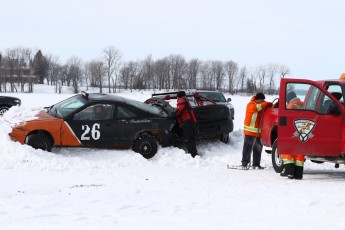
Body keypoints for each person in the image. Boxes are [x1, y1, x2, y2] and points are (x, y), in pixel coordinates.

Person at [241, 92, 272, 169]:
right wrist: (266, 103)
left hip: (258, 132)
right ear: (258, 99)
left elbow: (267, 106)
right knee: (247, 147)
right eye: (262, 100)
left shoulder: (261, 105)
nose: (263, 101)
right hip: (250, 132)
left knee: (258, 148)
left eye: (263, 100)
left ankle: (256, 164)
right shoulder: (251, 104)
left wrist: (272, 104)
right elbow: (257, 108)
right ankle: (245, 162)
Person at [280, 91, 305, 179]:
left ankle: (289, 172)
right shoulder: (303, 104)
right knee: (299, 152)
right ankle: (298, 174)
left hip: (292, 130)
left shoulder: (290, 106)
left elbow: (287, 119)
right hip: (302, 130)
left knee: (287, 150)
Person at [176, 90, 198, 158]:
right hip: (191, 122)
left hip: (187, 122)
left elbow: (178, 111)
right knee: (191, 138)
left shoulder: (182, 100)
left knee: (189, 139)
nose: (177, 98)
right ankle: (193, 153)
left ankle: (193, 155)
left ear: (179, 96)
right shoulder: (186, 100)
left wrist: (172, 114)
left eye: (177, 97)